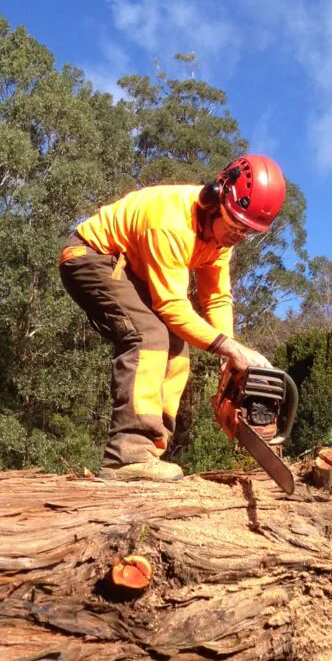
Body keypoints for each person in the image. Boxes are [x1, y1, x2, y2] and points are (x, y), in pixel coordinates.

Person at [58, 154, 286, 482]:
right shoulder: (170, 221)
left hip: (127, 268)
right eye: (235, 225)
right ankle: (127, 455)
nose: (238, 236)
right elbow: (171, 307)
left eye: (247, 232)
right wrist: (230, 349)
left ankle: (149, 450)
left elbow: (217, 297)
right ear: (216, 197)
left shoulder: (221, 242)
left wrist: (229, 359)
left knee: (177, 352)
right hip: (89, 257)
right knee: (148, 336)